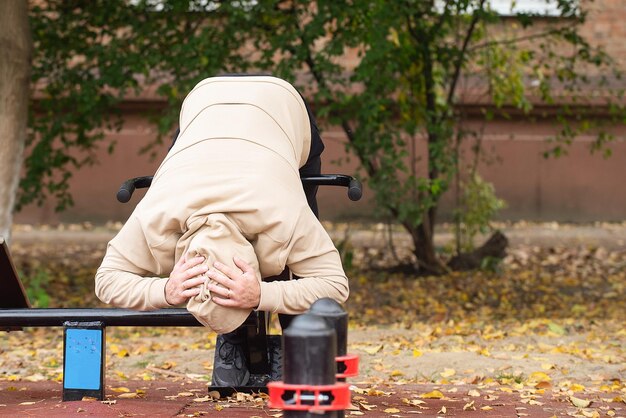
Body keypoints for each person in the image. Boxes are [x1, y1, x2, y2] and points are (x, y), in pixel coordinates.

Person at [95, 75, 349, 386]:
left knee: (299, 260)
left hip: (282, 104)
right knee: (295, 256)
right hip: (203, 106)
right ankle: (234, 335)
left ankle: (296, 333)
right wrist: (166, 290)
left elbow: (334, 285)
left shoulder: (285, 215)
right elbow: (105, 280)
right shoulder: (157, 213)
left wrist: (262, 294)